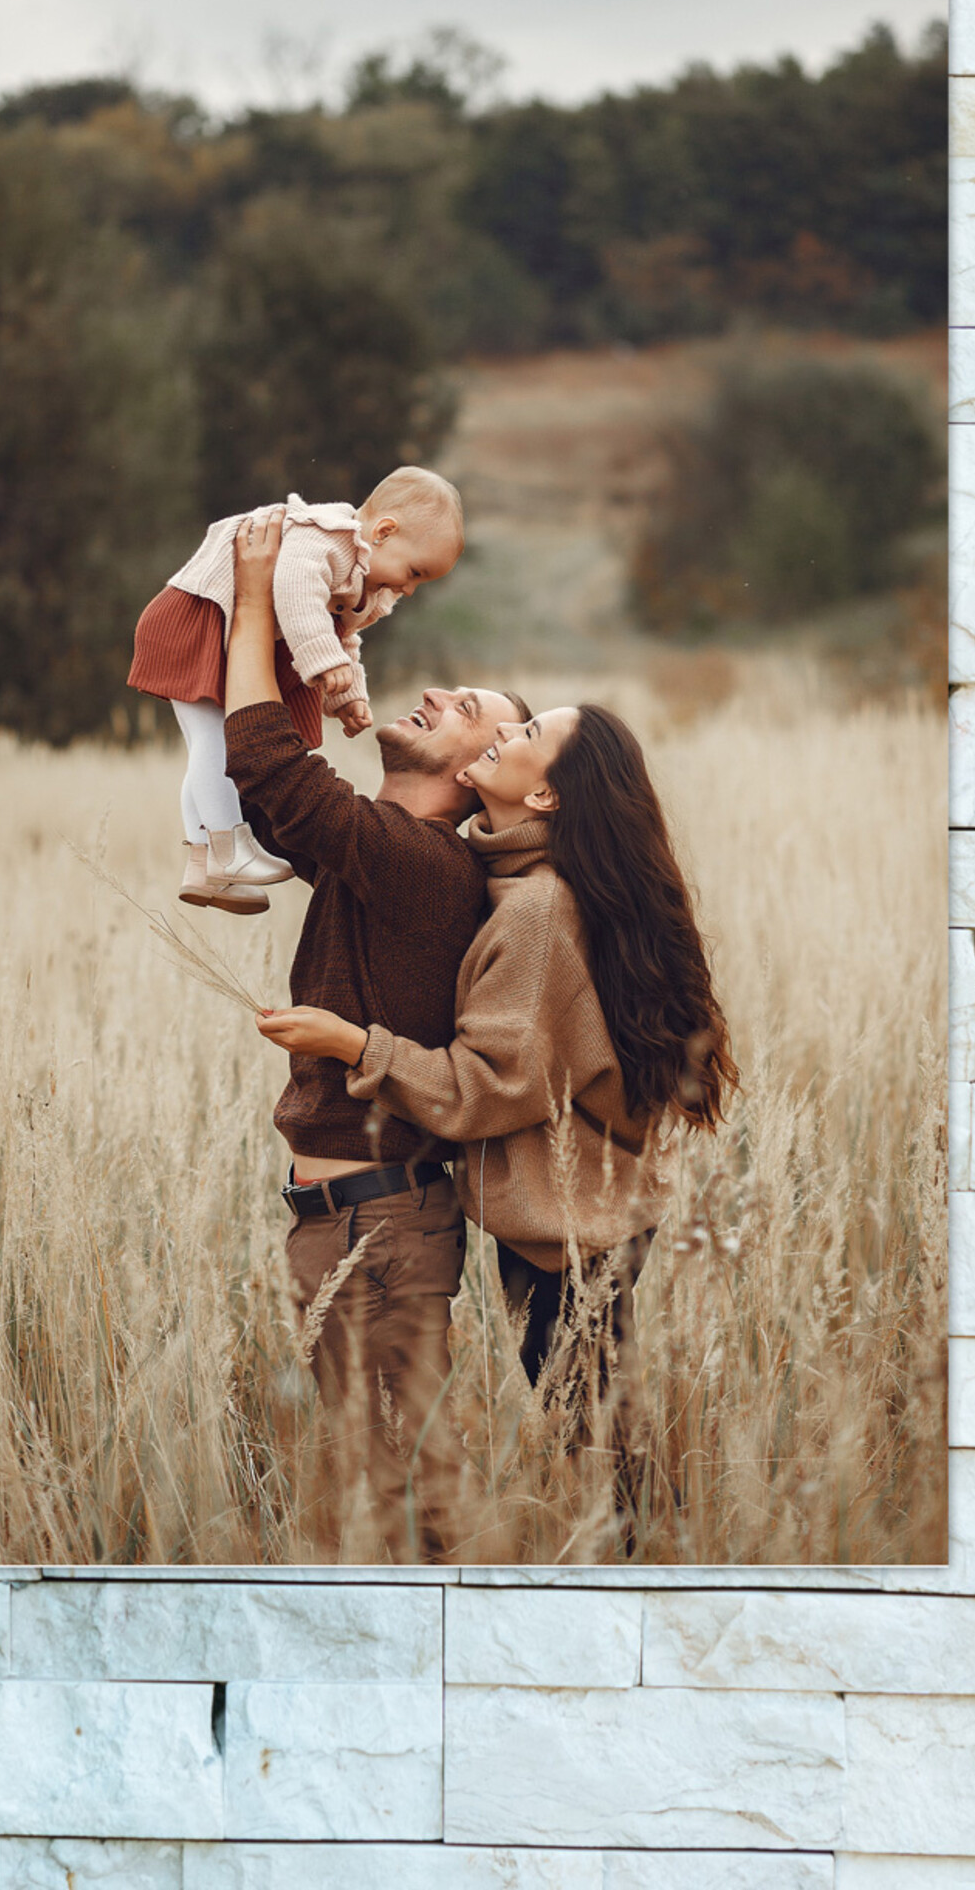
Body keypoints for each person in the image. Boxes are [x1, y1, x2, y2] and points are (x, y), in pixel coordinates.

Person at [257, 700, 737, 1512]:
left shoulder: (538, 910)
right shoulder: (513, 882)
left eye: (524, 735)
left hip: (572, 1239)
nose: (502, 738)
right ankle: (642, 1556)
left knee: (603, 1452)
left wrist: (353, 1043)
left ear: (546, 797)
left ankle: (646, 1578)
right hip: (576, 1224)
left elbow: (491, 1085)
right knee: (600, 1436)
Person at [222, 505, 529, 1558]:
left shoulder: (424, 866)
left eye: (468, 711)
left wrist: (258, 601)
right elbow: (275, 807)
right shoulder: (387, 851)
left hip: (382, 1228)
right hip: (339, 1217)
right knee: (372, 1486)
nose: (437, 692)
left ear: (481, 768)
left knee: (414, 1497)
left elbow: (273, 771)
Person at [129, 468, 464, 914]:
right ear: (383, 532)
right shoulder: (324, 538)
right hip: (202, 616)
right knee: (215, 741)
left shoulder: (364, 576)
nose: (408, 588)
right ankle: (230, 846)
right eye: (414, 572)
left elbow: (343, 636)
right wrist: (323, 663)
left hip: (230, 628)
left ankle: (204, 862)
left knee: (205, 743)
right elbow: (295, 593)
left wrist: (347, 695)